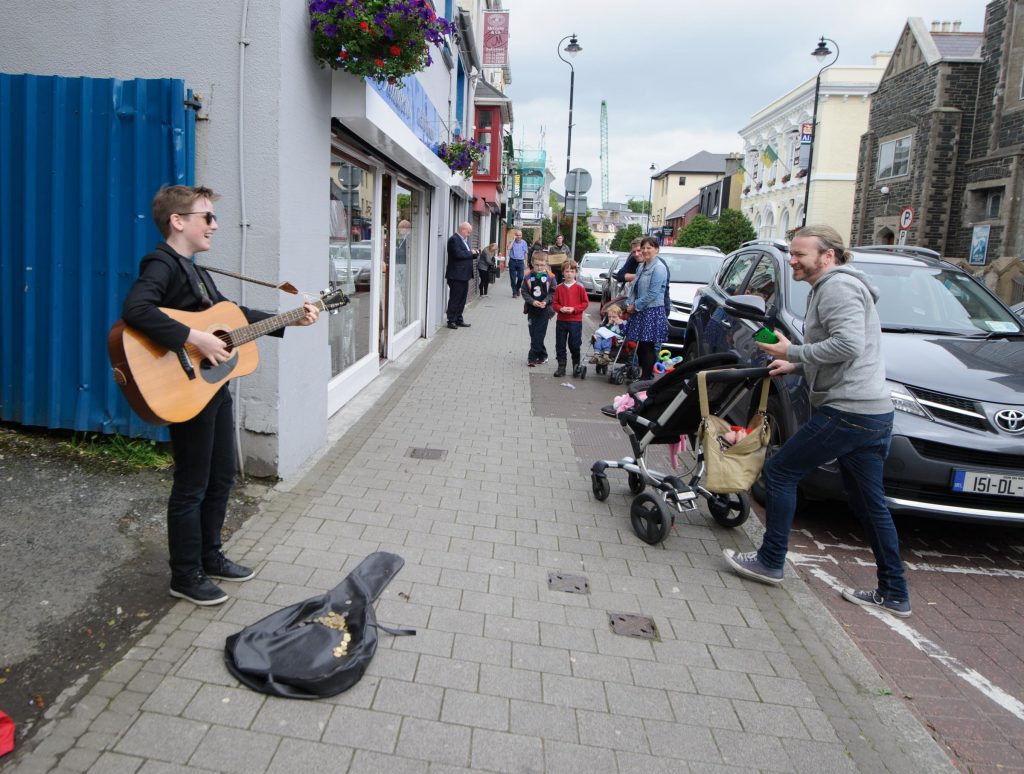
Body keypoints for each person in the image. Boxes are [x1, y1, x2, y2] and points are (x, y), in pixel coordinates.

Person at [121, 185, 319, 606]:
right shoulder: (163, 263)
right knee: (191, 484)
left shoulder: (199, 271)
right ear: (178, 221)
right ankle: (185, 574)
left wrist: (291, 319)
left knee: (222, 476)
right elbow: (136, 310)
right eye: (207, 217)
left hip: (212, 389)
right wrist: (198, 339)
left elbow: (235, 317)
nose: (216, 225)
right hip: (184, 389)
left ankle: (210, 556)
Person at [722, 225, 911, 618]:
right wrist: (794, 363)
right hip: (872, 411)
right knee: (868, 502)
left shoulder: (837, 287)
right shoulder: (837, 286)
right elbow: (845, 350)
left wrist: (795, 349)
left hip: (850, 411)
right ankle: (894, 591)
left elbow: (848, 345)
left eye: (799, 254)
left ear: (828, 256)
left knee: (778, 472)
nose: (792, 260)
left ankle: (770, 561)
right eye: (791, 253)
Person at [623, 237, 669, 380]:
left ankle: (646, 378)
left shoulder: (659, 268)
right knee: (642, 346)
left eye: (649, 248)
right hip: (640, 310)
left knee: (648, 346)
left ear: (657, 250)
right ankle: (644, 377)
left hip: (652, 311)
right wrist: (629, 304)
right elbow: (635, 288)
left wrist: (635, 306)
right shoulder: (642, 266)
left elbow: (653, 294)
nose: (645, 250)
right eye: (643, 247)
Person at [551, 260, 590, 378]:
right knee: (560, 344)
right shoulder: (558, 288)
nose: (569, 274)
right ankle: (561, 366)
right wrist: (560, 308)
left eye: (572, 271)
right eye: (567, 271)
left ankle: (576, 365)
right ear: (562, 273)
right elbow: (554, 303)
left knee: (574, 344)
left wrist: (574, 309)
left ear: (575, 273)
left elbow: (585, 303)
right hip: (562, 320)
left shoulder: (580, 287)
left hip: (575, 320)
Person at [521, 249, 555, 366]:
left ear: (546, 264)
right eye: (536, 265)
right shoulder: (528, 277)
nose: (539, 267)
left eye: (542, 265)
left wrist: (546, 301)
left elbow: (553, 292)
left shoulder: (550, 277)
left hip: (544, 311)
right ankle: (543, 355)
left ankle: (532, 357)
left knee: (539, 333)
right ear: (532, 263)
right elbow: (524, 291)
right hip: (532, 309)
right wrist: (532, 301)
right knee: (533, 333)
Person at [445, 221, 477, 329]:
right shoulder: (454, 239)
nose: (469, 234)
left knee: (462, 299)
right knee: (455, 298)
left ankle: (459, 319)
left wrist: (475, 253)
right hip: (456, 275)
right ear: (463, 230)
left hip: (464, 275)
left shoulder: (464, 240)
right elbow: (458, 254)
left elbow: (466, 255)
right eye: (468, 232)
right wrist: (470, 253)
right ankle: (451, 320)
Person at [507, 229, 528, 297]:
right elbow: (509, 248)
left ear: (521, 236)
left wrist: (526, 262)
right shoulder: (511, 241)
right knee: (513, 278)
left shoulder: (524, 242)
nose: (518, 236)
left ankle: (517, 288)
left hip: (520, 262)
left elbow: (525, 253)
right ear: (515, 235)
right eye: (517, 235)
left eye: (520, 235)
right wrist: (513, 240)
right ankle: (514, 292)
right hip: (512, 261)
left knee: (521, 277)